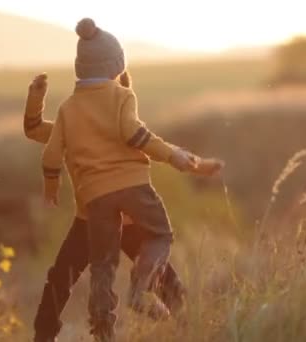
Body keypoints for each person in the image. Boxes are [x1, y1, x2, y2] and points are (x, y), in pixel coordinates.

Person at [39, 18, 224, 341]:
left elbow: (49, 154)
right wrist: (177, 157)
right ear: (115, 64)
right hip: (128, 194)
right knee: (158, 243)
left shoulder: (69, 109)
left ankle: (102, 332)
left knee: (99, 269)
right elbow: (137, 136)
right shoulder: (122, 98)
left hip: (95, 204)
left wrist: (51, 189)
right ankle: (166, 307)